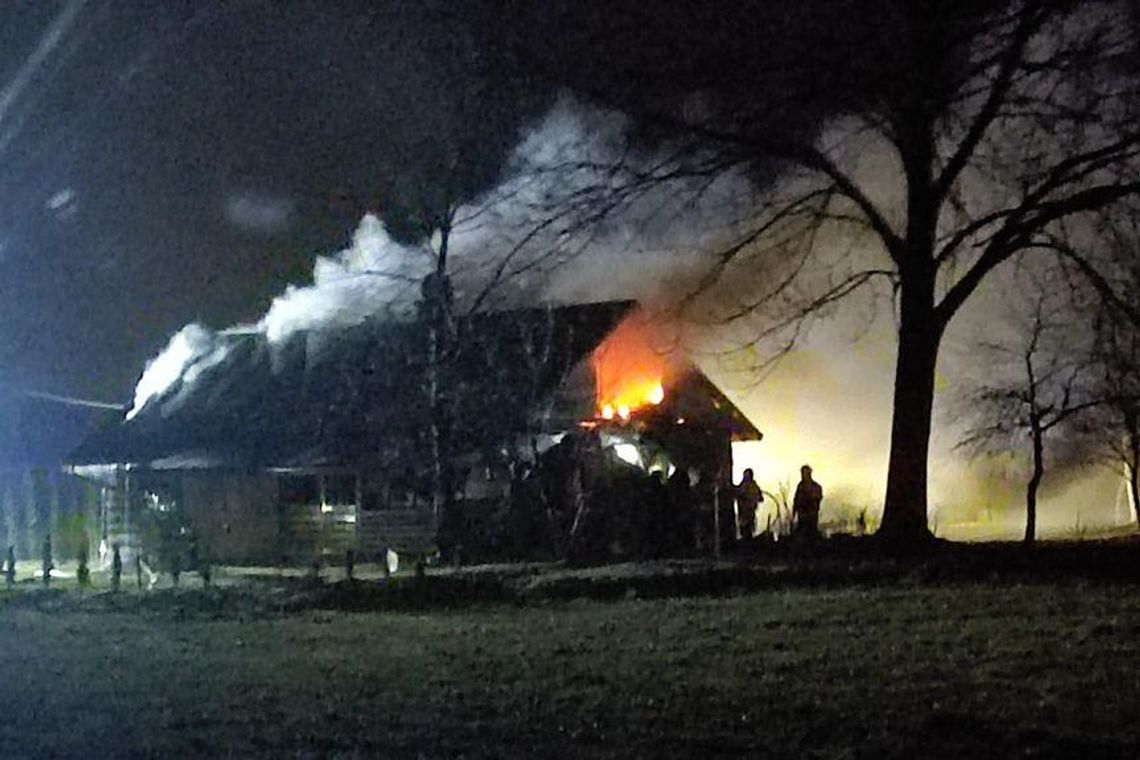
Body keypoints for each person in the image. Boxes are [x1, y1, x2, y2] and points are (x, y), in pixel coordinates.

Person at [793, 465, 824, 541]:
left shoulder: (815, 486)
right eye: (803, 473)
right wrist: (794, 512)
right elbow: (796, 500)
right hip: (802, 515)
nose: (803, 475)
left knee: (811, 534)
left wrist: (811, 497)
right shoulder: (800, 486)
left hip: (811, 515)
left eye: (805, 473)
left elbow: (819, 497)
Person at [735, 468, 763, 542]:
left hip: (749, 511)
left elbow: (760, 498)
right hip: (744, 511)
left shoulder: (753, 486)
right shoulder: (744, 485)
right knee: (745, 528)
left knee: (748, 528)